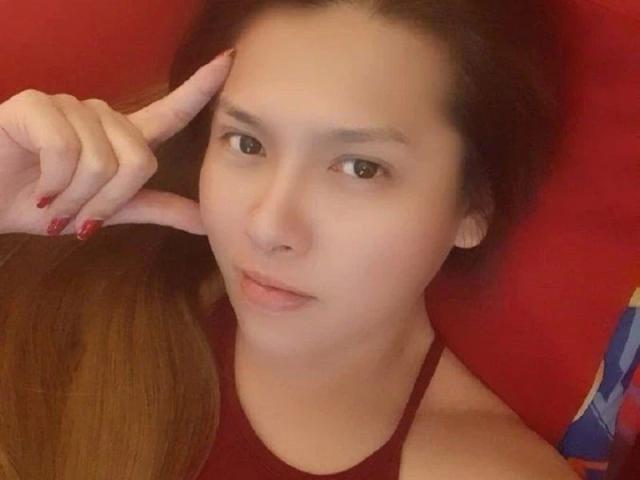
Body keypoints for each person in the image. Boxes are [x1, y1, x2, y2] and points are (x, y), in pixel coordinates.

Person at [0, 0, 578, 479]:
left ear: (475, 205)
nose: (268, 227)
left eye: (360, 168)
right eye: (246, 143)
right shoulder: (90, 285)